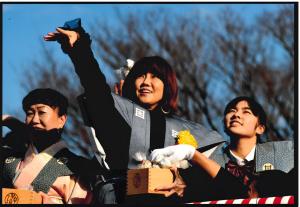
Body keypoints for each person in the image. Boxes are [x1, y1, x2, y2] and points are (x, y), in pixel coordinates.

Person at [43, 18, 225, 203]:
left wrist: (186, 184)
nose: (146, 82)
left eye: (155, 77)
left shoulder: (186, 129)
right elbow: (95, 85)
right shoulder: (118, 114)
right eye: (140, 76)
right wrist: (80, 47)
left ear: (168, 85)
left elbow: (216, 177)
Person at [151, 96, 295, 201]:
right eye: (231, 111)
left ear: (260, 128)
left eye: (246, 112)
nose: (236, 115)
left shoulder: (286, 151)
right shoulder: (207, 160)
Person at [1, 88, 94, 204]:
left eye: (42, 112)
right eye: (30, 113)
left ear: (62, 120)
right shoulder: (8, 160)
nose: (34, 119)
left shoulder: (76, 166)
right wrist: (7, 120)